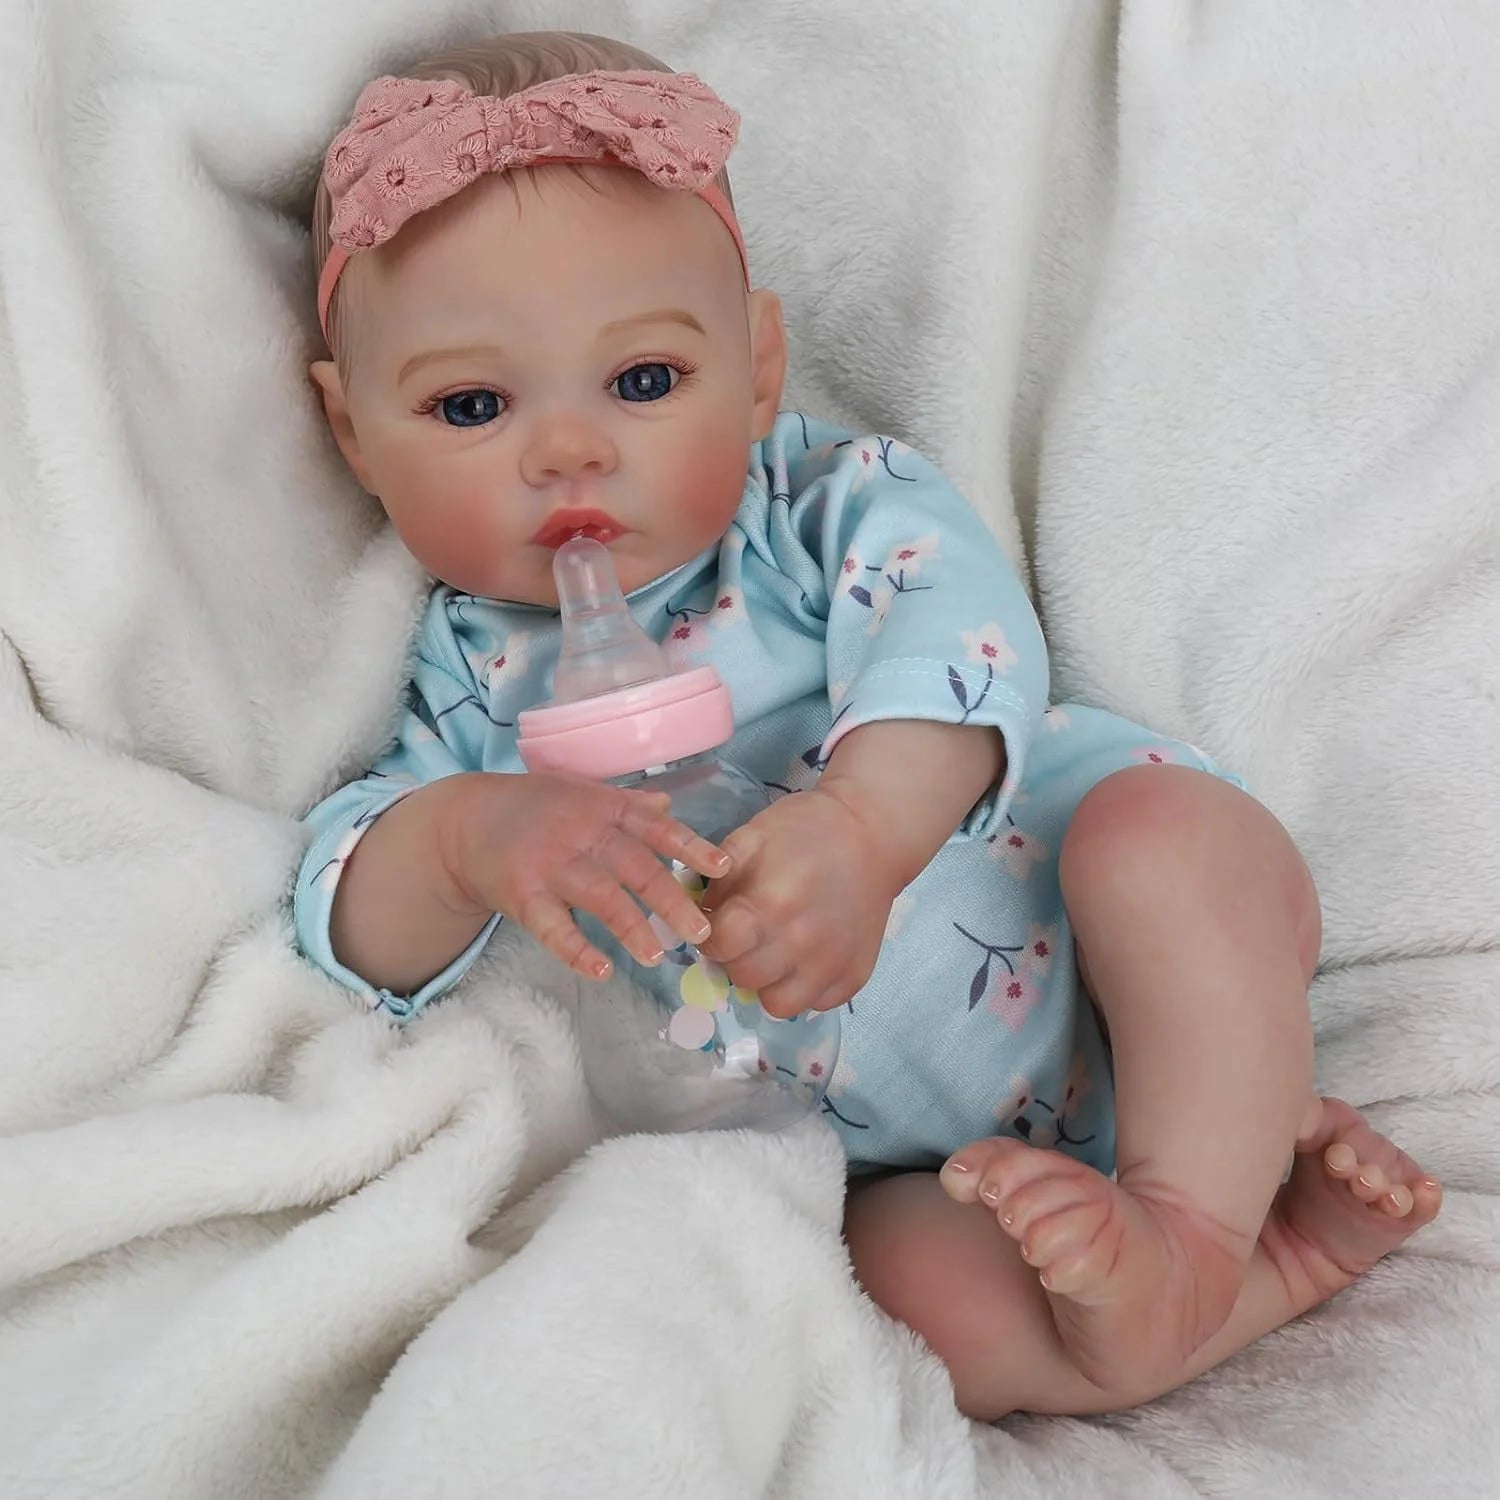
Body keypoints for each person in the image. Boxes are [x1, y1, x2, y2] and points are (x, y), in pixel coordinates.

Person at [294, 30, 1440, 1419]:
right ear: (352, 433)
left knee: (1166, 845)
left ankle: (1196, 1222)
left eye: (644, 381)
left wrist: (866, 824)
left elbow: (959, 634)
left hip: (1111, 947)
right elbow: (349, 921)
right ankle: (1268, 1259)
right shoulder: (469, 684)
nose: (569, 451)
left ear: (758, 368)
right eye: (472, 405)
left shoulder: (819, 508)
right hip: (937, 1164)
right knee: (900, 1288)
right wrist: (468, 840)